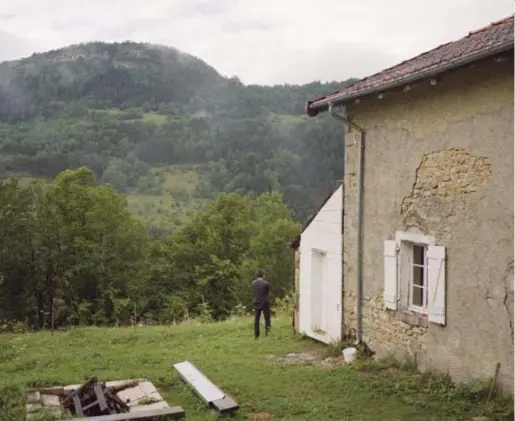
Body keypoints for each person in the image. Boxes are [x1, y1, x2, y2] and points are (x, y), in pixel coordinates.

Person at [251, 269, 271, 339]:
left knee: (256, 319)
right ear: (263, 275)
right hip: (265, 302)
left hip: (256, 302)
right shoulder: (266, 283)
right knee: (267, 318)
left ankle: (256, 335)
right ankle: (268, 332)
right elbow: (268, 293)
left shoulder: (253, 283)